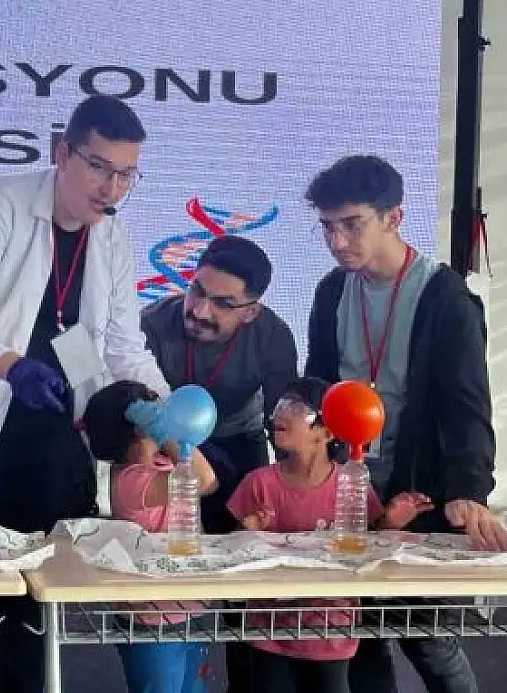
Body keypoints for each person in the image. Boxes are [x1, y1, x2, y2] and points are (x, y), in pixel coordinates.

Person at [0, 94, 172, 693]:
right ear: (63, 153)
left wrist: (166, 414)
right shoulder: (2, 206)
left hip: (47, 439)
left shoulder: (111, 239)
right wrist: (10, 366)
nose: (112, 188)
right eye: (99, 167)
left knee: (35, 612)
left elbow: (125, 347)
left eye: (126, 174)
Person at [302, 154, 507, 693]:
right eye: (328, 226)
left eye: (352, 224)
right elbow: (318, 384)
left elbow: (468, 406)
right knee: (359, 633)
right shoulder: (332, 291)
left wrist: (468, 491)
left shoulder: (445, 297)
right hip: (350, 485)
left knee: (426, 633)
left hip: (418, 483)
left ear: (392, 217)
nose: (337, 241)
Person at [139, 234, 297, 692]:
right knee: (171, 565)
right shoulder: (153, 322)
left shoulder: (272, 336)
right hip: (167, 445)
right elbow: (136, 409)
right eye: (197, 291)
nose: (200, 311)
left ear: (251, 311)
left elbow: (284, 424)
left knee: (242, 571)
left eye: (223, 304)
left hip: (239, 443)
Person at [227, 376, 432, 693]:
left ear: (328, 431)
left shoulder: (351, 483)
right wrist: (248, 529)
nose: (281, 414)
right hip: (269, 629)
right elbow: (230, 550)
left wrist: (390, 522)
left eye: (297, 408)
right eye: (281, 404)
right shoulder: (259, 483)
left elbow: (365, 545)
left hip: (331, 629)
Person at [82, 380, 220, 693]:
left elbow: (209, 483)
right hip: (153, 617)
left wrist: (168, 436)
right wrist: (167, 432)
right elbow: (203, 478)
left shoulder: (164, 464)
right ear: (137, 426)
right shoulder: (131, 481)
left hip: (190, 605)